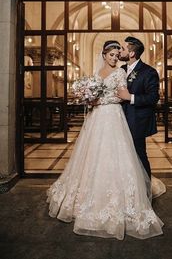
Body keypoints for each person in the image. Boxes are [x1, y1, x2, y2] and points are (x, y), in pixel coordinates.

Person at [47, 40, 164, 240]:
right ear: (103, 55)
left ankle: (141, 194)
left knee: (125, 156)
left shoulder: (125, 72)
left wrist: (104, 99)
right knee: (94, 156)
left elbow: (121, 96)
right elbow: (101, 94)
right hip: (97, 118)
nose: (116, 57)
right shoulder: (100, 72)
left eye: (118, 54)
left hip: (115, 117)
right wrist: (88, 96)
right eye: (112, 54)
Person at [118, 36, 159, 180]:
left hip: (137, 121)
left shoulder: (149, 72)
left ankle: (146, 189)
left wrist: (131, 97)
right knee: (122, 156)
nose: (119, 51)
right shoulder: (121, 69)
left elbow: (153, 98)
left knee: (139, 155)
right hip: (120, 120)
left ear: (131, 53)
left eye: (122, 49)